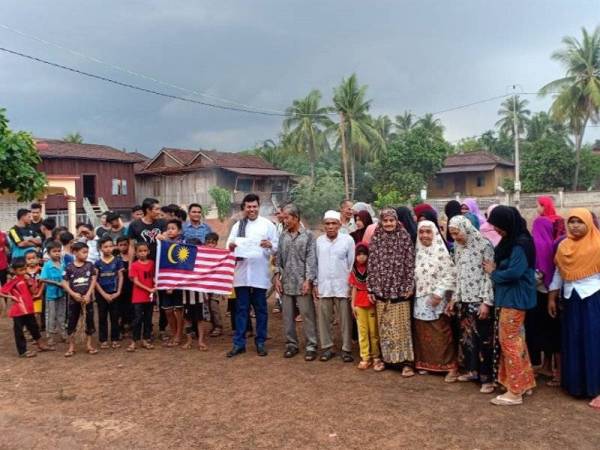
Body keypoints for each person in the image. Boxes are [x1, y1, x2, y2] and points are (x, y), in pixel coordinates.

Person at [484, 206, 537, 406]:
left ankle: (515, 391)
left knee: (509, 342)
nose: (496, 230)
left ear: (508, 224)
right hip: (511, 298)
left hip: (514, 299)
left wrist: (493, 272)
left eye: (498, 226)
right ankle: (525, 383)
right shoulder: (515, 240)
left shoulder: (519, 244)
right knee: (517, 341)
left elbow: (515, 272)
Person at [550, 208, 600, 410]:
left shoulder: (597, 244)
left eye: (579, 221)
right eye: (571, 221)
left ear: (588, 222)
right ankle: (576, 385)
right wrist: (552, 297)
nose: (575, 225)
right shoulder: (564, 246)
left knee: (593, 341)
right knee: (573, 340)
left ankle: (595, 387)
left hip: (592, 297)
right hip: (571, 299)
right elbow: (559, 272)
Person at [447, 215, 495, 393]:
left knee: (484, 340)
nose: (455, 237)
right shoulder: (457, 248)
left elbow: (489, 275)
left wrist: (486, 302)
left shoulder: (484, 245)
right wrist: (454, 298)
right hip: (464, 300)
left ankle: (487, 378)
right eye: (452, 234)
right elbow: (458, 274)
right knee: (467, 339)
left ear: (466, 228)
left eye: (457, 232)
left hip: (479, 300)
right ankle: (471, 371)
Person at [226, 193, 278, 357]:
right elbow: (229, 244)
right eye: (248, 207)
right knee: (241, 309)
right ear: (244, 208)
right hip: (241, 274)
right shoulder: (238, 225)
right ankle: (239, 343)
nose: (252, 209)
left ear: (258, 207)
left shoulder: (268, 225)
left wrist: (270, 244)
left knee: (261, 309)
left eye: (254, 206)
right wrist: (232, 245)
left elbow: (276, 246)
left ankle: (260, 342)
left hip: (259, 274)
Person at [367, 208, 416, 377]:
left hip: (400, 289)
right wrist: (371, 288)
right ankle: (387, 360)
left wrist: (410, 285)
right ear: (380, 221)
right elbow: (371, 265)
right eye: (385, 221)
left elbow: (410, 264)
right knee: (385, 326)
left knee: (401, 327)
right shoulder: (376, 238)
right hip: (381, 289)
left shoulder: (404, 237)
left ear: (396, 221)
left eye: (391, 220)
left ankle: (406, 363)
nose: (388, 224)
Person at [413, 220, 458, 382]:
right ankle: (426, 364)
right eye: (421, 232)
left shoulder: (441, 252)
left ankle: (449, 367)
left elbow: (451, 274)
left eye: (428, 232)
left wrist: (439, 293)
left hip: (437, 298)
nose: (424, 235)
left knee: (441, 332)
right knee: (422, 332)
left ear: (435, 233)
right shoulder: (416, 251)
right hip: (420, 298)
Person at [274, 204, 318, 361]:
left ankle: (311, 345)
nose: (284, 220)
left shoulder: (308, 236)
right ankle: (291, 344)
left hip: (302, 283)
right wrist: (277, 277)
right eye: (284, 218)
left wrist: (309, 280)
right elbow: (278, 259)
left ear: (296, 218)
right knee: (287, 316)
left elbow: (311, 260)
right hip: (286, 283)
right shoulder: (283, 236)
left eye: (287, 217)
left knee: (307, 315)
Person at [315, 210, 355, 362]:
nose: (330, 226)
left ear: (339, 225)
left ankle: (346, 349)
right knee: (324, 319)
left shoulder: (348, 240)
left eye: (334, 223)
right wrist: (316, 284)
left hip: (342, 285)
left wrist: (351, 285)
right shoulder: (319, 241)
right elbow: (316, 263)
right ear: (323, 225)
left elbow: (351, 264)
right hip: (324, 285)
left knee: (345, 319)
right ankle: (327, 347)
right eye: (327, 224)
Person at [529, 215, 561, 385]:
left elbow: (538, 274)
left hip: (540, 295)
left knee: (541, 332)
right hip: (554, 294)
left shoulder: (538, 245)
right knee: (552, 332)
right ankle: (549, 366)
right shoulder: (553, 243)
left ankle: (546, 367)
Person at [0, 258, 54, 357]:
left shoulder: (27, 278)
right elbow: (2, 292)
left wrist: (32, 282)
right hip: (19, 310)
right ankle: (22, 351)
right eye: (21, 270)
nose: (23, 271)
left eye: (25, 269)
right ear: (14, 271)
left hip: (28, 308)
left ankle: (40, 344)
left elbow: (34, 291)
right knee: (19, 331)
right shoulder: (14, 280)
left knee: (34, 327)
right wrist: (11, 296)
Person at [349, 243, 382, 371]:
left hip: (371, 301)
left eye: (364, 254)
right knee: (362, 331)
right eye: (359, 254)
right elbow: (354, 288)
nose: (361, 257)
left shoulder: (372, 269)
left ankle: (376, 356)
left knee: (373, 331)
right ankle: (365, 357)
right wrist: (352, 305)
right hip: (359, 303)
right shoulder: (353, 270)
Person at [62, 242, 97, 357]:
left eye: (87, 252)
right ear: (75, 252)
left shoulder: (90, 265)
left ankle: (89, 345)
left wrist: (88, 295)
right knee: (72, 321)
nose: (86, 255)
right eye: (83, 252)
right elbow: (64, 282)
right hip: (73, 300)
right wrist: (73, 294)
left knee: (89, 321)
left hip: (87, 299)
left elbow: (93, 280)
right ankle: (71, 347)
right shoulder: (69, 267)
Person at [95, 235, 124, 349]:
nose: (108, 249)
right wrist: (103, 294)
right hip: (101, 294)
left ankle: (115, 339)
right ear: (100, 248)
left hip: (115, 292)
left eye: (110, 246)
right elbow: (95, 280)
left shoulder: (118, 261)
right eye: (105, 247)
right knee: (102, 317)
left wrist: (118, 292)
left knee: (115, 317)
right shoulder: (97, 263)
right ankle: (103, 340)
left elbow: (121, 277)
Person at [127, 242, 155, 352]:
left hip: (150, 297)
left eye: (145, 251)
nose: (143, 253)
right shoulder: (134, 265)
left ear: (148, 251)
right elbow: (136, 281)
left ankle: (146, 340)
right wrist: (149, 289)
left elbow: (153, 277)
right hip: (138, 297)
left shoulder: (152, 263)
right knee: (137, 319)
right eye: (140, 251)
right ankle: (134, 341)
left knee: (148, 319)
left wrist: (155, 284)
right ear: (136, 253)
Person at [162, 219, 185, 347]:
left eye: (173, 228)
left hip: (178, 281)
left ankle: (178, 335)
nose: (170, 230)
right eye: (168, 228)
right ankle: (173, 333)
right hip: (165, 280)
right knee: (168, 310)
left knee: (178, 310)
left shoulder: (182, 243)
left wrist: (175, 283)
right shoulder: (162, 243)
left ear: (179, 231)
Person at [40, 241, 67, 345]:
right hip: (51, 294)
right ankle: (49, 336)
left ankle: (63, 334)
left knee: (61, 314)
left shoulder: (62, 263)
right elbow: (42, 279)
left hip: (62, 292)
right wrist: (56, 283)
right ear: (49, 253)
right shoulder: (47, 265)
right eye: (54, 251)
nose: (57, 253)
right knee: (50, 315)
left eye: (59, 251)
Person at [202, 232, 224, 337]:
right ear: (205, 242)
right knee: (208, 305)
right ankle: (213, 325)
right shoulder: (203, 254)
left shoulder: (219, 254)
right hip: (205, 284)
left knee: (213, 305)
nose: (210, 245)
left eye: (213, 243)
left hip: (215, 284)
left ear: (216, 243)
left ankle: (218, 326)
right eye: (208, 242)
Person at [116, 236, 134, 335]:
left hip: (131, 285)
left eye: (125, 245)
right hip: (120, 286)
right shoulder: (116, 258)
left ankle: (131, 324)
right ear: (117, 246)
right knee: (120, 306)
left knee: (131, 305)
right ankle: (121, 326)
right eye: (120, 245)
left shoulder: (133, 257)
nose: (123, 247)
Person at [24, 249, 43, 329]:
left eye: (33, 258)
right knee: (28, 314)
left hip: (38, 296)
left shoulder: (41, 270)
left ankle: (37, 331)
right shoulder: (24, 272)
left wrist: (39, 293)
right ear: (25, 260)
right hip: (27, 298)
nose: (31, 260)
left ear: (38, 259)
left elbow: (43, 283)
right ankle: (29, 330)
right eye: (29, 259)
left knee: (37, 314)